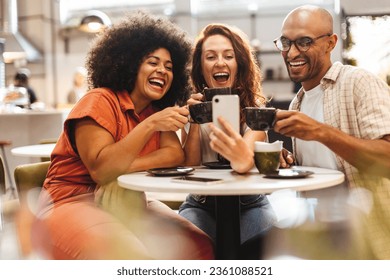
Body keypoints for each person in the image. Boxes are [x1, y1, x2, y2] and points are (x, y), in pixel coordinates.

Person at [31, 11, 213, 260]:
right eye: (152, 62)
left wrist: (121, 173)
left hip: (129, 199)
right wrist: (149, 126)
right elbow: (102, 170)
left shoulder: (157, 111)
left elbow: (174, 154)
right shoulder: (98, 101)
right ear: (130, 63)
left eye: (169, 67)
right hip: (71, 201)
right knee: (130, 257)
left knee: (199, 246)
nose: (162, 71)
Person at [272, 5, 390, 259]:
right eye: (285, 42)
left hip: (368, 240)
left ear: (331, 43)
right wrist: (288, 163)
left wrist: (322, 132)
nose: (292, 52)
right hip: (320, 236)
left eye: (304, 42)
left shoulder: (359, 83)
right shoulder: (298, 103)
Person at [179, 23, 276, 258]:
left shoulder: (256, 111)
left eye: (228, 56)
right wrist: (194, 121)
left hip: (249, 204)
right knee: (183, 251)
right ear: (201, 68)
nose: (220, 63)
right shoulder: (188, 110)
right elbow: (190, 169)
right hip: (200, 203)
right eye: (210, 57)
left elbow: (242, 164)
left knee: (265, 253)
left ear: (238, 64)